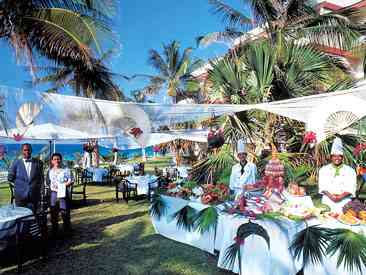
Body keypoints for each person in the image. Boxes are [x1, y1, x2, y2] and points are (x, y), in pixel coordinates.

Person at [318, 137, 357, 213]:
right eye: (334, 156)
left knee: (345, 220)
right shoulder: (323, 169)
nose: (337, 158)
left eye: (339, 156)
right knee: (327, 219)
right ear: (331, 157)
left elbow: (351, 187)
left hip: (345, 201)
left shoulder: (350, 170)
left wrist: (340, 197)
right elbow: (322, 186)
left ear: (342, 157)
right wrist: (332, 197)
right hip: (327, 200)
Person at [8, 143, 44, 213]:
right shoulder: (16, 163)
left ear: (31, 150)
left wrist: (41, 190)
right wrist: (19, 185)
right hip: (20, 195)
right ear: (22, 151)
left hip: (34, 194)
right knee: (20, 215)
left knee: (33, 214)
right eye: (25, 150)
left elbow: (41, 178)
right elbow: (10, 177)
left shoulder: (39, 163)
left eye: (29, 150)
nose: (27, 152)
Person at [47, 153, 74, 235]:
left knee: (65, 212)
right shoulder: (50, 171)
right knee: (53, 212)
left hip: (63, 192)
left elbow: (71, 180)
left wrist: (64, 185)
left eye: (58, 159)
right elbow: (48, 183)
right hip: (54, 193)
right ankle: (55, 230)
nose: (57, 161)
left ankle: (67, 229)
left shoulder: (66, 170)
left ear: (61, 160)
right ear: (52, 161)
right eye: (54, 159)